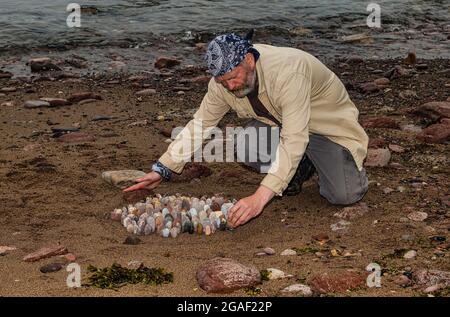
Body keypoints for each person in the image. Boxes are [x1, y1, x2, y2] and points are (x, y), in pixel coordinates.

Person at [124, 32, 369, 228]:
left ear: (249, 60)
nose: (230, 86)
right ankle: (300, 166)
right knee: (248, 146)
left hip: (325, 129)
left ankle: (336, 163)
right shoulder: (222, 83)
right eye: (223, 81)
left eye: (234, 77)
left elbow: (295, 137)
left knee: (342, 196)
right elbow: (200, 124)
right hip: (283, 125)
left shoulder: (289, 72)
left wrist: (259, 198)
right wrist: (163, 168)